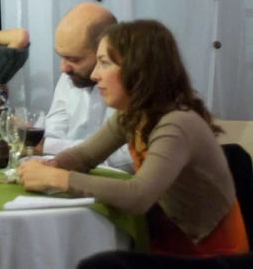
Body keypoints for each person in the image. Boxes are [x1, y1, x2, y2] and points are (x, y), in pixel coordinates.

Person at [18, 20, 249, 256]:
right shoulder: (132, 115)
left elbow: (138, 196)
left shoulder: (177, 123)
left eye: (105, 63)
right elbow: (84, 155)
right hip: (168, 248)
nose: (96, 75)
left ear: (139, 70)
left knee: (100, 262)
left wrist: (58, 178)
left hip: (213, 257)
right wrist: (53, 164)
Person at [39, 3, 134, 172]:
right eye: (61, 57)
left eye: (74, 59)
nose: (63, 68)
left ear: (106, 49)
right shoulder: (70, 75)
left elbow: (124, 159)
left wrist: (44, 146)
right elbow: (55, 131)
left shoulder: (133, 83)